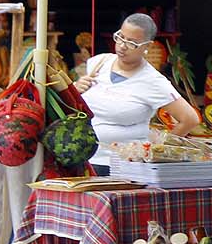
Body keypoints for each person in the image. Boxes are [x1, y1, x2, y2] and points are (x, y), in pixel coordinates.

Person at [74, 13, 201, 167]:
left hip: (123, 165)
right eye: (120, 37)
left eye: (132, 43)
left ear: (147, 46)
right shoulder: (98, 63)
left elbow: (190, 119)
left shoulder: (153, 81)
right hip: (84, 158)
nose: (122, 46)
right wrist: (76, 89)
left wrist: (157, 150)